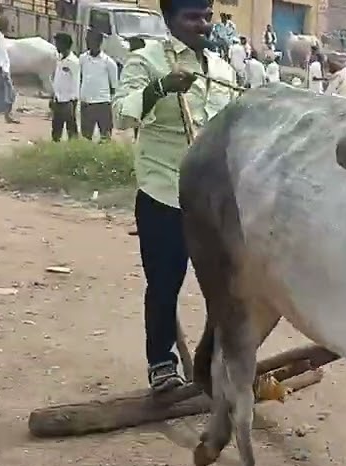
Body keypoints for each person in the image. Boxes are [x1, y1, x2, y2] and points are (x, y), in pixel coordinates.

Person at [114, 0, 236, 393]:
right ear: (170, 21)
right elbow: (122, 113)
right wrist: (159, 88)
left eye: (206, 16)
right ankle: (161, 364)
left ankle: (214, 361)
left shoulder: (222, 69)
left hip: (210, 198)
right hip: (163, 191)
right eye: (191, 17)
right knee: (165, 284)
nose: (201, 25)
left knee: (223, 286)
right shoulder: (147, 61)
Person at [79, 31, 119, 140]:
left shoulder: (109, 63)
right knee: (86, 137)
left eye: (91, 41)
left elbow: (114, 86)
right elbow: (80, 78)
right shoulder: (82, 59)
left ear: (99, 42)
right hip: (86, 103)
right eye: (87, 41)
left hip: (102, 104)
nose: (88, 43)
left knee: (105, 136)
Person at [49, 33, 80, 141]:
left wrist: (73, 101)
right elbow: (57, 80)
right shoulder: (60, 59)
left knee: (71, 128)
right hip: (58, 99)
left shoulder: (73, 62)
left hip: (68, 101)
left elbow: (76, 82)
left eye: (58, 44)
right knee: (56, 129)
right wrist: (53, 96)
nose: (56, 46)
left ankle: (74, 150)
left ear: (64, 45)